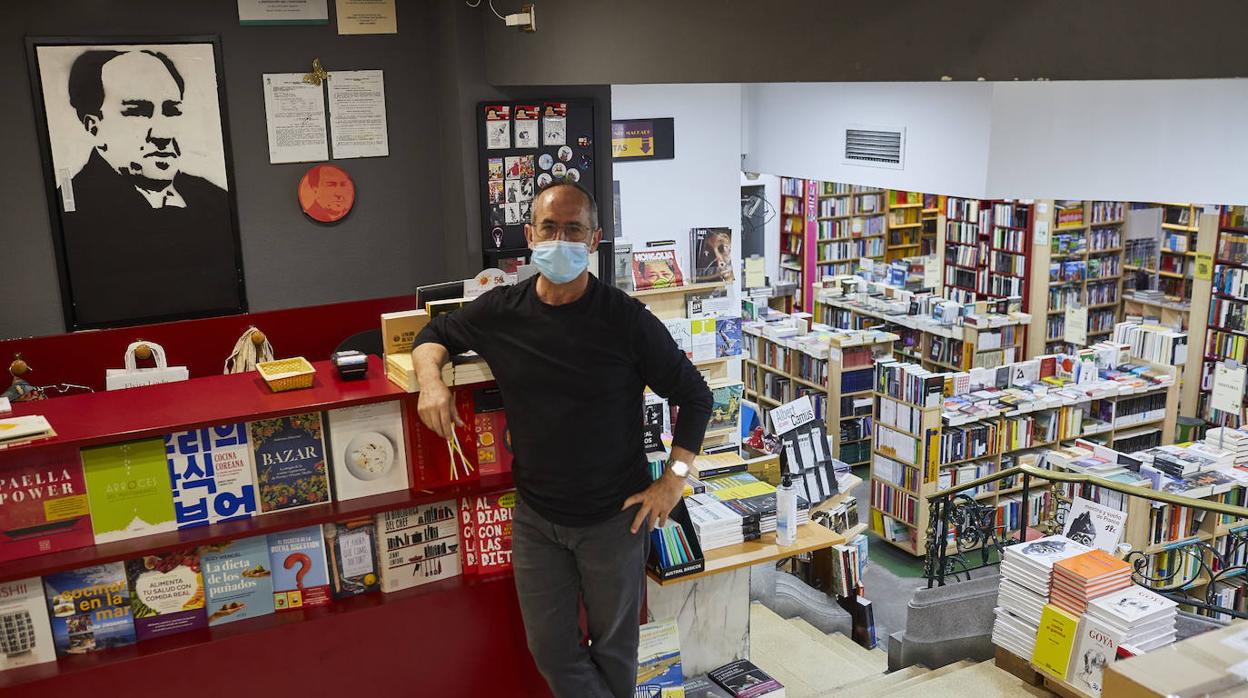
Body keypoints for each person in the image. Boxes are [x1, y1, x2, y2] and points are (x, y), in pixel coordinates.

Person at [411, 182, 712, 698]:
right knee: (550, 650)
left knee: (615, 652)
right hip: (538, 521)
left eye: (574, 229)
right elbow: (431, 336)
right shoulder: (502, 311)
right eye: (550, 227)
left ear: (594, 240)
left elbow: (697, 397)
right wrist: (432, 384)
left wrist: (673, 483)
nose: (561, 238)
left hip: (616, 519)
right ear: (530, 236)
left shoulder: (626, 320)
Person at [58, 48, 241, 326]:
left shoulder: (214, 200)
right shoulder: (75, 213)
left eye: (171, 111)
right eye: (139, 112)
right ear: (94, 127)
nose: (162, 134)